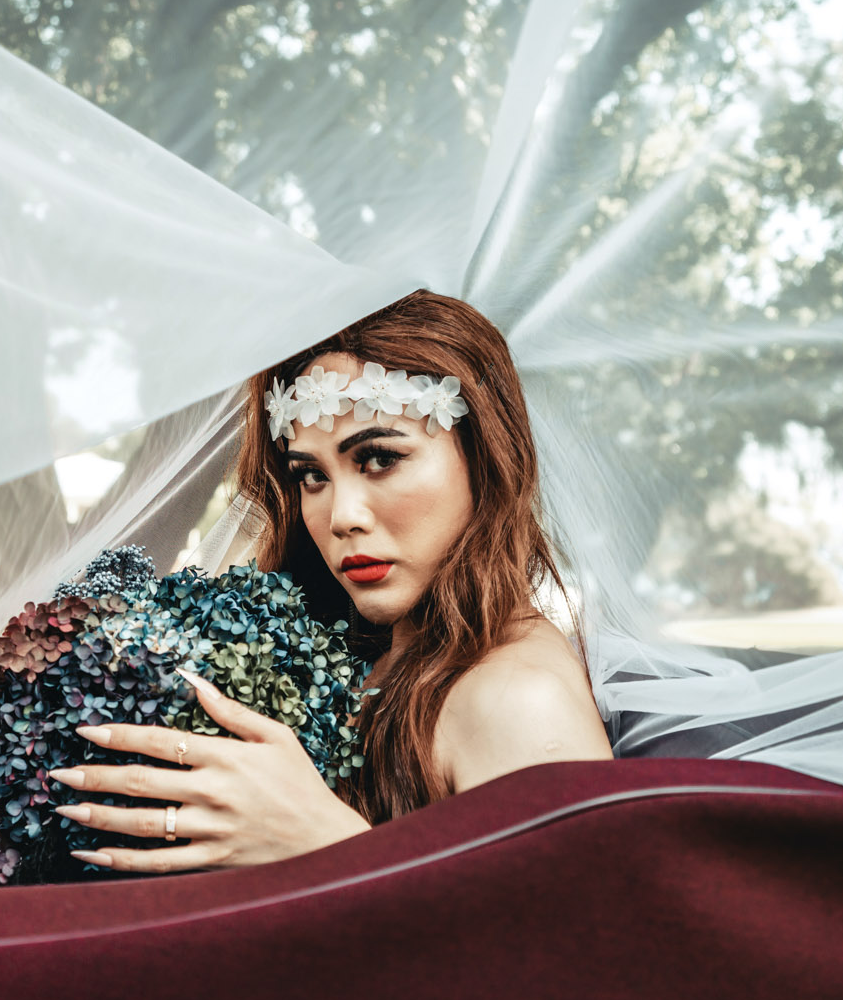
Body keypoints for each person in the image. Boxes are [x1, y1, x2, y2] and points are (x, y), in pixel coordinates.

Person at [50, 290, 612, 872]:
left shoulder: (519, 700)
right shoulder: (373, 655)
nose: (341, 516)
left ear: (487, 457)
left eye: (380, 459)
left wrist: (331, 845)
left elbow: (574, 931)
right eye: (312, 476)